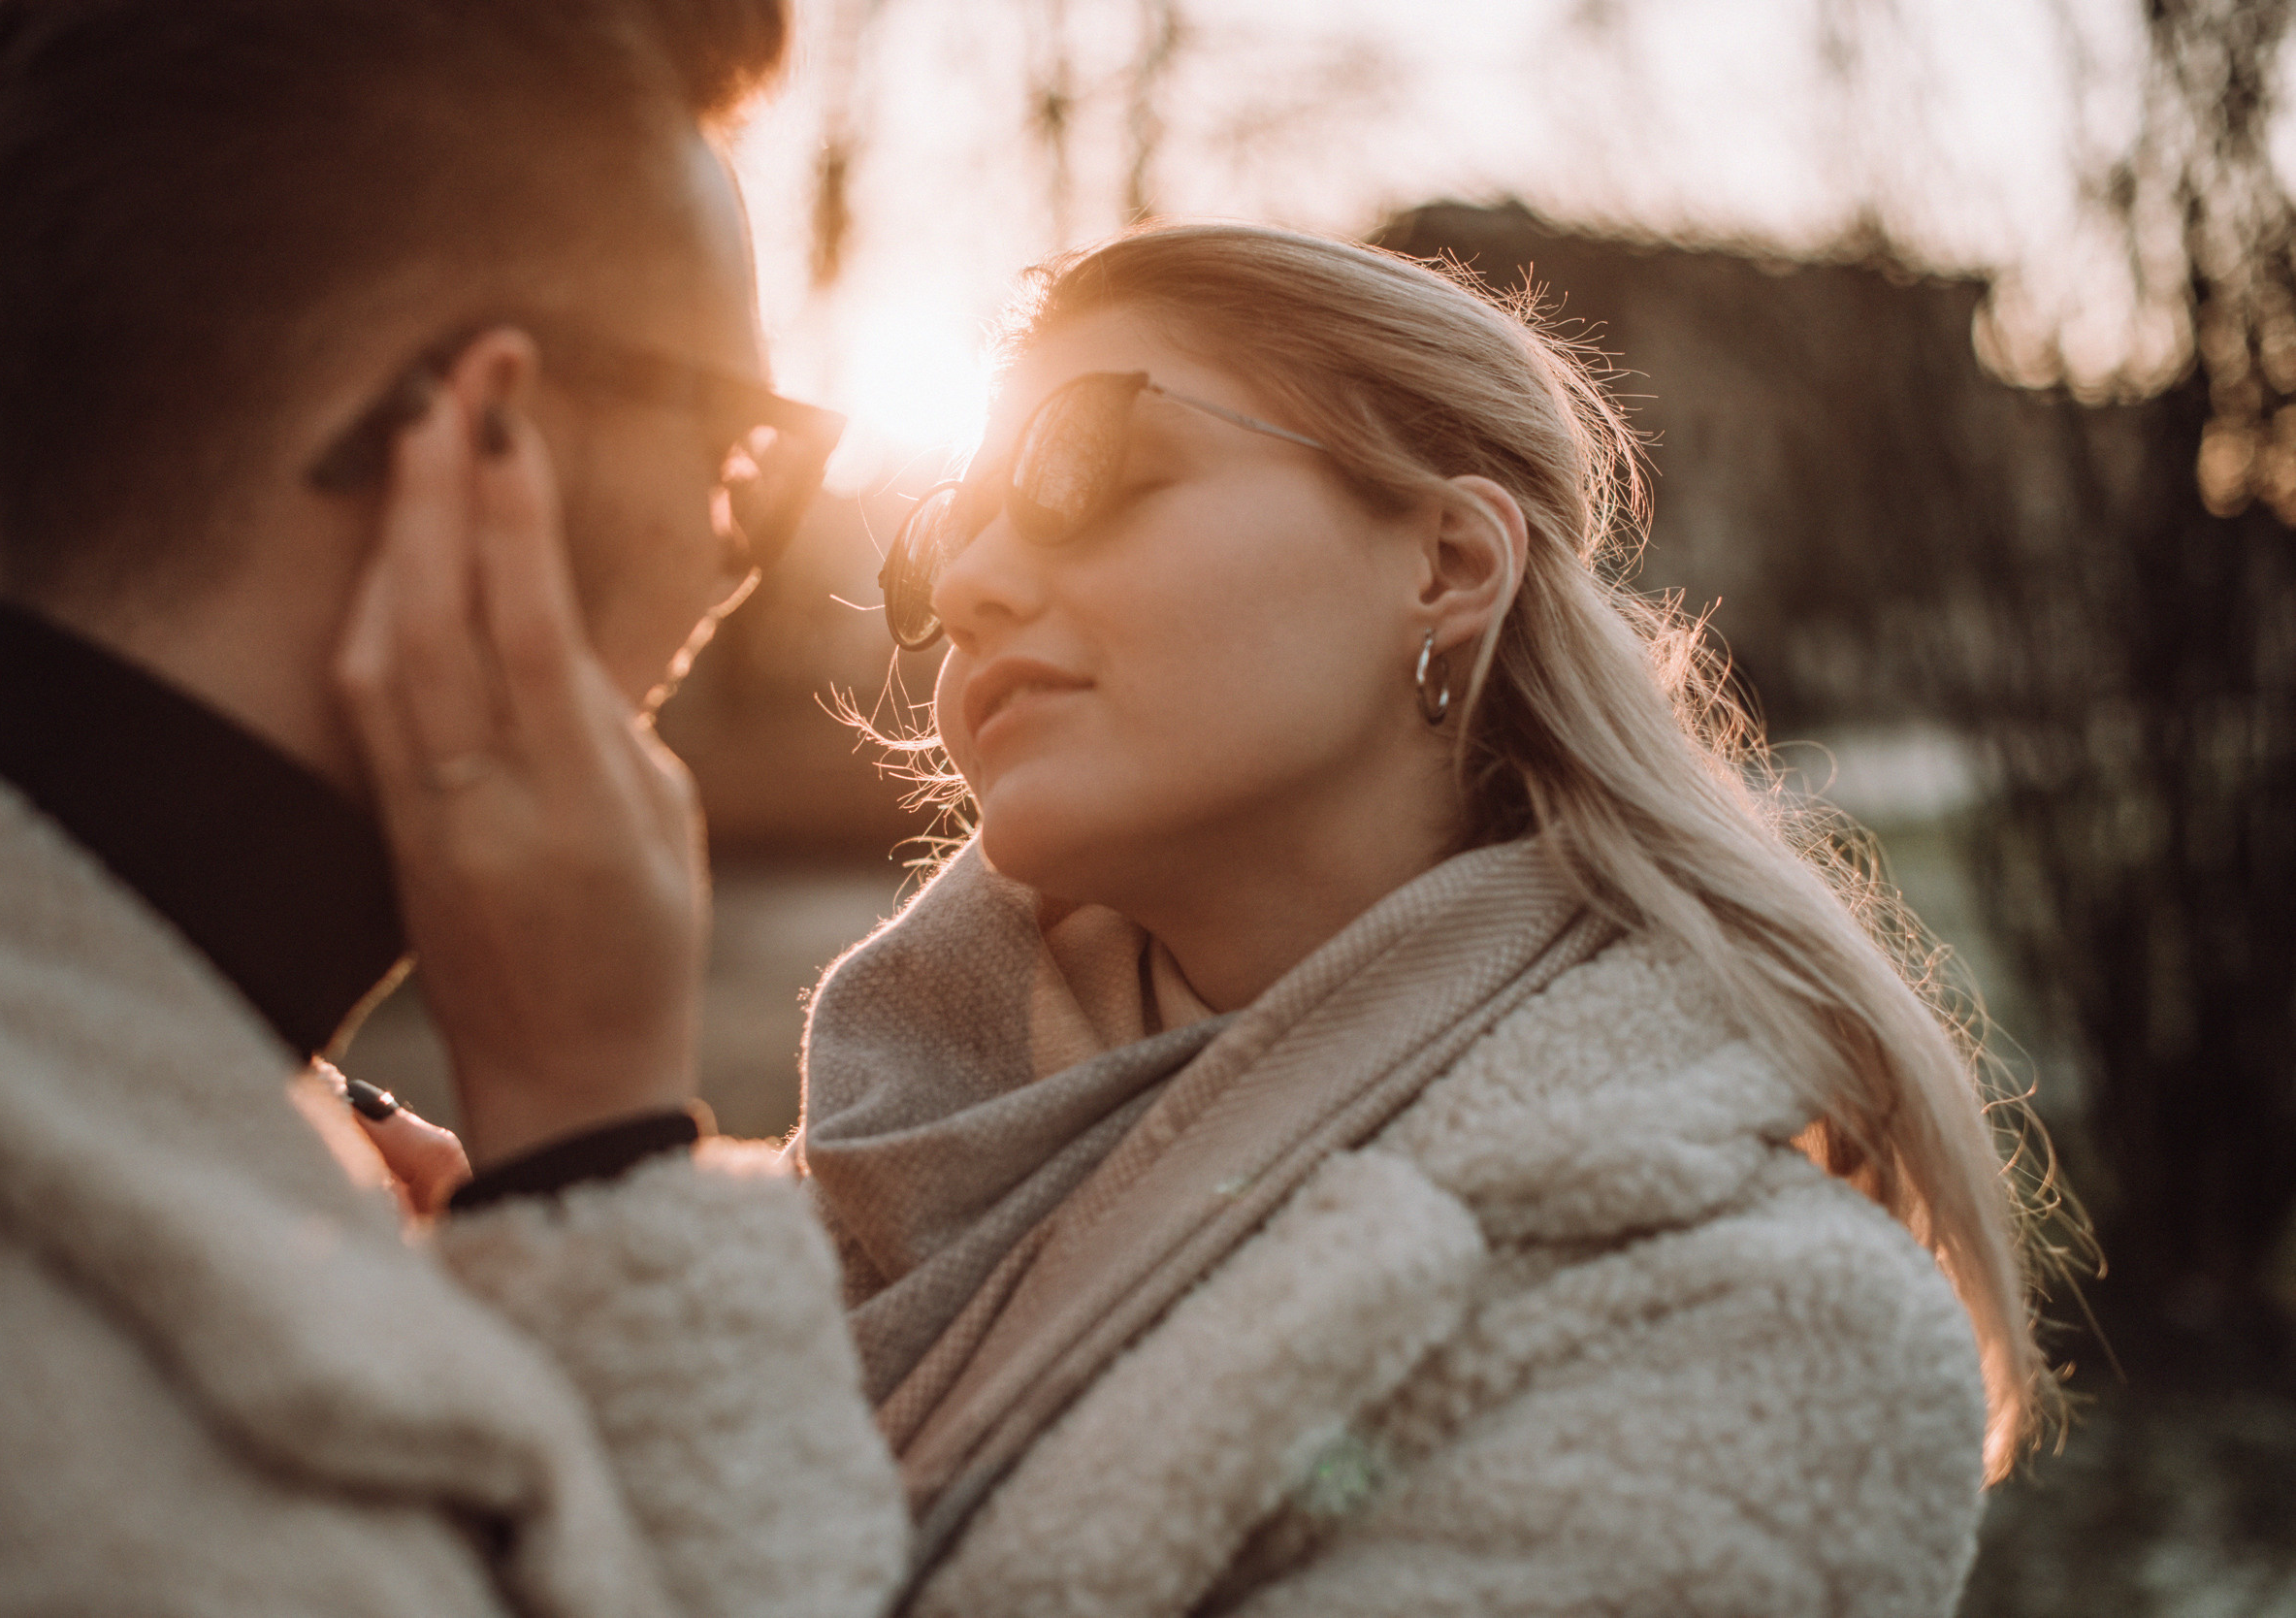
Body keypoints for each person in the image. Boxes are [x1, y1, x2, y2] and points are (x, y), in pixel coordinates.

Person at [794, 221, 2053, 1617]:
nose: (969, 586)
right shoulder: (859, 1171)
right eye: (948, 535)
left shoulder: (1776, 1334)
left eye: (1088, 473)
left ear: (1447, 564)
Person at [0, 1, 908, 1612]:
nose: (729, 562)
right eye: (737, 452)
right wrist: (604, 1149)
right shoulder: (233, 1519)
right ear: (485, 436)